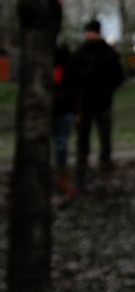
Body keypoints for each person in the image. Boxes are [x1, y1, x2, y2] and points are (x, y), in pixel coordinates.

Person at [71, 19, 125, 188]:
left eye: (90, 31)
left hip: (103, 103)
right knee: (82, 139)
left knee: (105, 137)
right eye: (86, 32)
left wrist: (106, 89)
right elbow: (72, 79)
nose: (88, 34)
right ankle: (82, 169)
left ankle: (106, 168)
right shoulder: (80, 53)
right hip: (84, 104)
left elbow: (119, 77)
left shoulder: (109, 53)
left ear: (97, 32)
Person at [52, 41, 76, 199]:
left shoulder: (67, 69)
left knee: (61, 145)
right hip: (52, 112)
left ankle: (62, 177)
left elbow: (72, 89)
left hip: (64, 112)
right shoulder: (48, 68)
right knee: (59, 145)